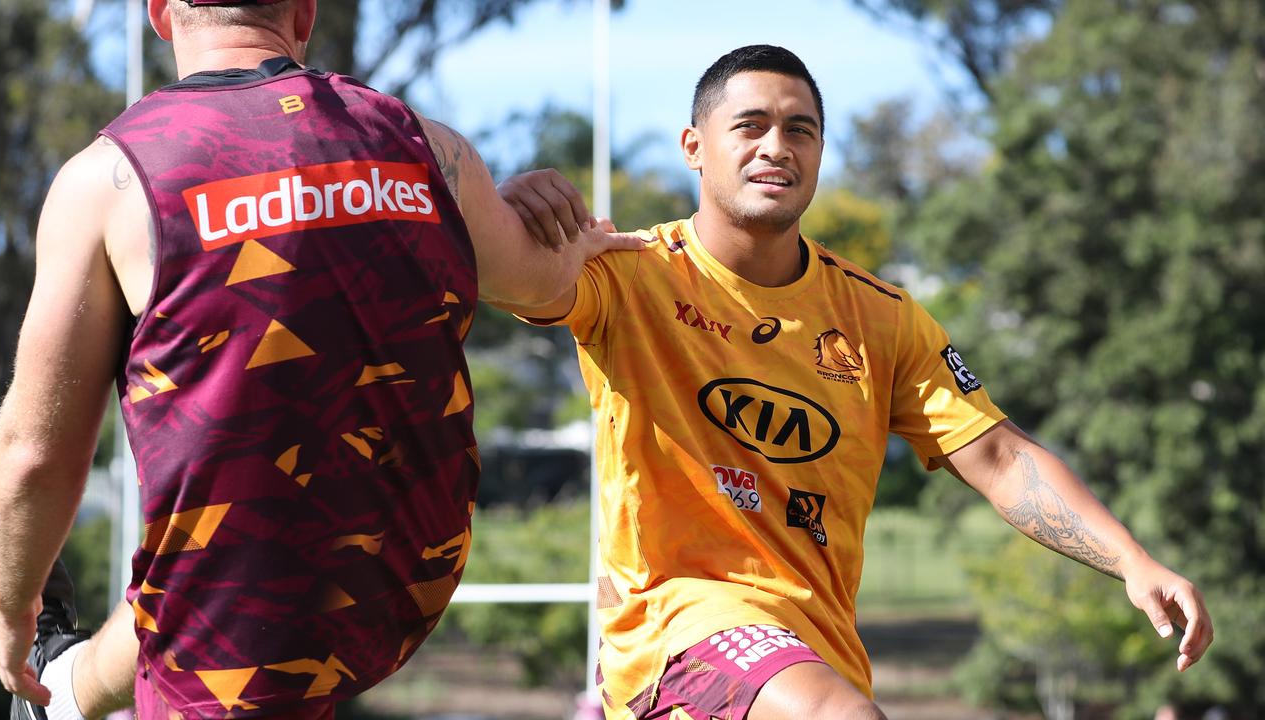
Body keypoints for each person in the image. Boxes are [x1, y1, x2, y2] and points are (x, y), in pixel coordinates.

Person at [495, 44, 1214, 720]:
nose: (776, 145)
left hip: (818, 653)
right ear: (695, 148)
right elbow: (511, 274)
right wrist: (520, 212)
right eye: (750, 125)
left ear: (818, 154)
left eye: (799, 130)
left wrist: (1130, 559)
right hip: (674, 637)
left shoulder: (881, 318)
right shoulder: (628, 271)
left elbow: (1000, 459)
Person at [0, 1, 641, 718]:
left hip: (233, 622)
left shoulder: (107, 179)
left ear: (160, 16)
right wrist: (564, 226)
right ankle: (75, 690)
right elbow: (540, 278)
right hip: (403, 583)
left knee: (212, 559)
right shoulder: (427, 145)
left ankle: (59, 690)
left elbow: (35, 452)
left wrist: (11, 609)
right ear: (303, 13)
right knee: (213, 550)